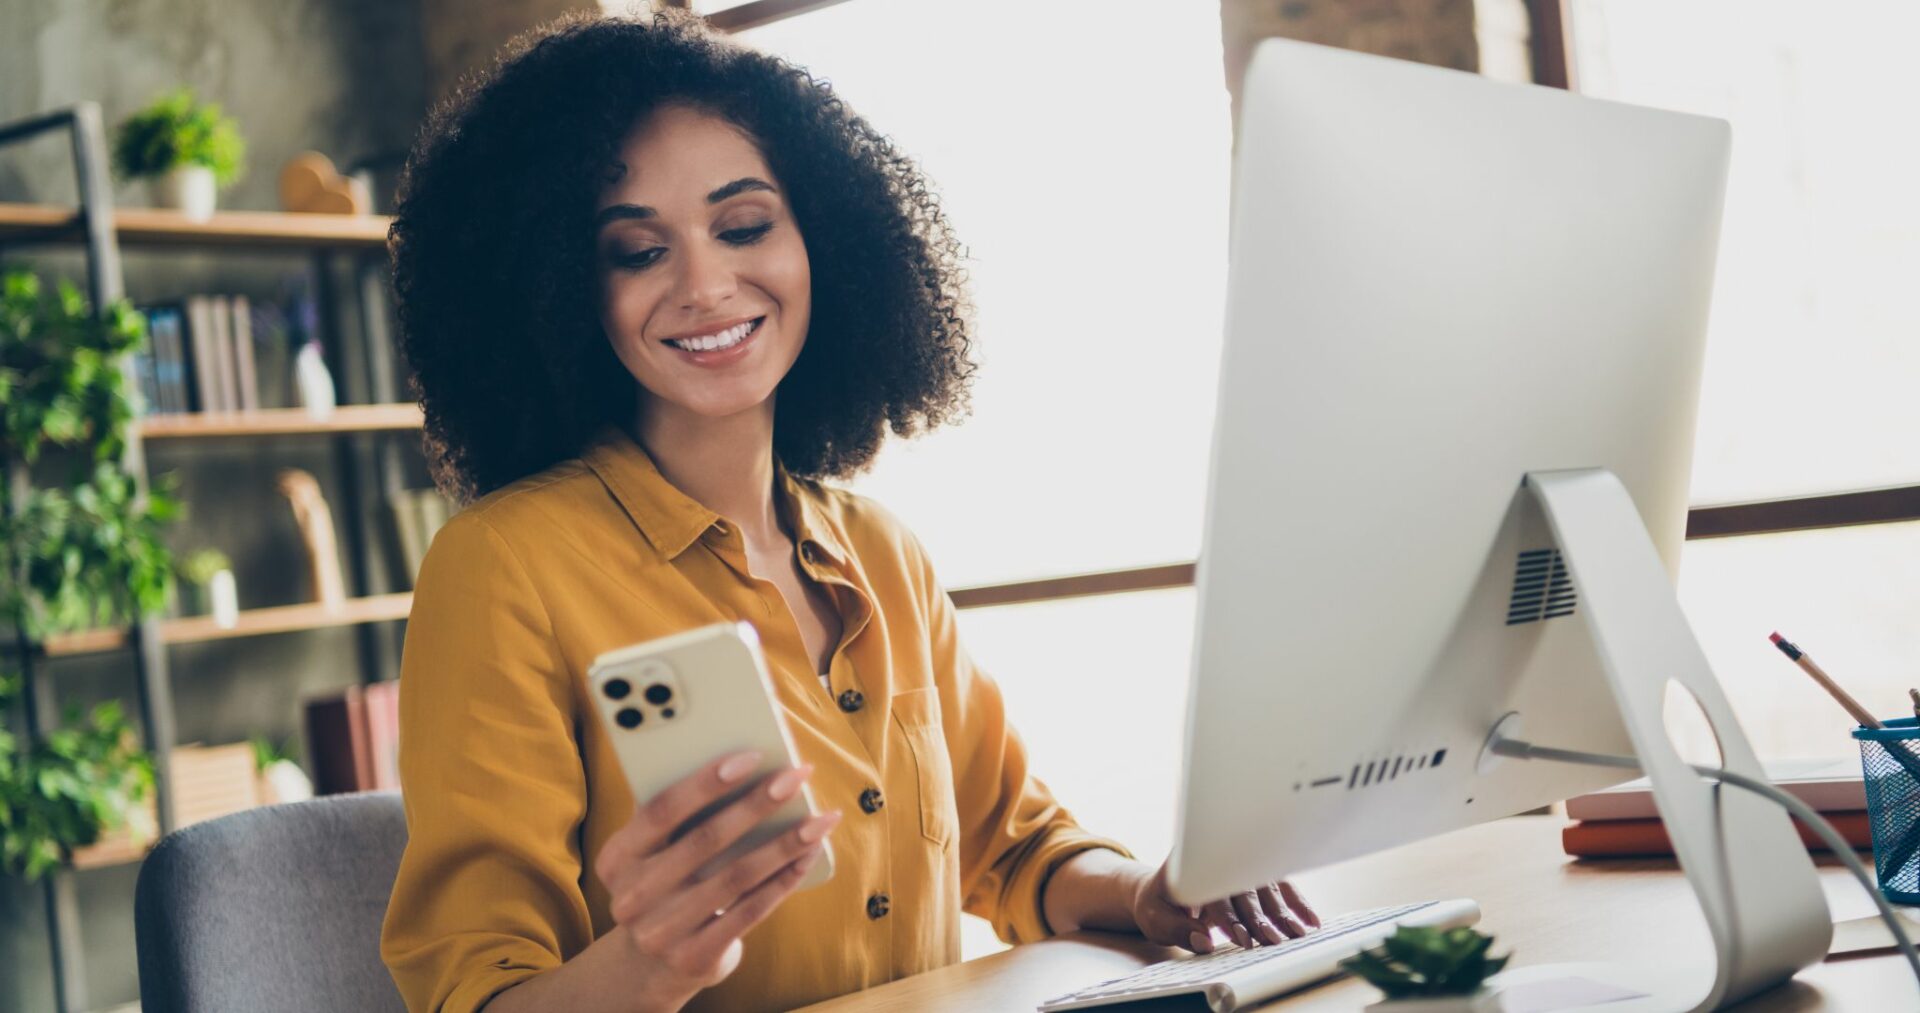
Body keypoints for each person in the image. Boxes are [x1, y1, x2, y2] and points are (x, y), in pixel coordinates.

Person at [378, 10, 1317, 1012]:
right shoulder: (505, 567)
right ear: (561, 290)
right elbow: (476, 993)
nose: (705, 283)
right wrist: (654, 959)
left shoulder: (880, 551)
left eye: (743, 227)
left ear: (822, 237)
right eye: (637, 251)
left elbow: (1015, 845)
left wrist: (1151, 893)